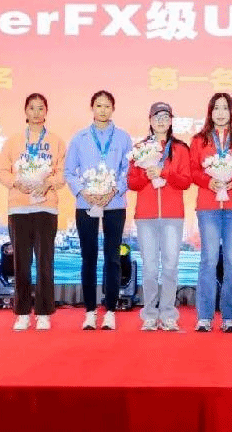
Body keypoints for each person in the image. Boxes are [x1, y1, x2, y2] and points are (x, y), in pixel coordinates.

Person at [0, 93, 66, 331]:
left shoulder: (56, 141)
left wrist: (47, 183)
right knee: (21, 264)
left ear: (47, 112)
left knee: (45, 262)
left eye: (41, 108)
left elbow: (63, 173)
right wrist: (17, 182)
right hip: (19, 208)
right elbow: (1, 171)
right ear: (25, 111)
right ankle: (22, 312)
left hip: (46, 207)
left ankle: (44, 312)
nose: (36, 113)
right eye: (32, 108)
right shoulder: (13, 141)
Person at [65, 90, 131, 331]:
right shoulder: (79, 138)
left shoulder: (123, 138)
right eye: (99, 105)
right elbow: (69, 172)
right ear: (92, 108)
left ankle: (110, 311)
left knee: (113, 258)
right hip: (86, 204)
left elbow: (128, 170)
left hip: (114, 203)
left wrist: (113, 191)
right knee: (89, 257)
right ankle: (90, 312)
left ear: (113, 109)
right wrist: (83, 192)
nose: (103, 110)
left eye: (107, 106)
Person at [190, 93, 232, 333]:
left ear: (231, 112)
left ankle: (229, 317)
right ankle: (204, 317)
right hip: (208, 206)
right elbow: (193, 171)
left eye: (225, 108)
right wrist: (210, 182)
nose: (220, 112)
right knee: (208, 260)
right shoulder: (199, 140)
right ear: (210, 112)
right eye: (216, 108)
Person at [127, 102, 192, 332]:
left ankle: (168, 314)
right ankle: (150, 314)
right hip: (146, 216)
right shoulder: (139, 149)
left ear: (171, 120)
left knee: (171, 267)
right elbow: (132, 182)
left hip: (173, 216)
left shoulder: (180, 149)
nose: (161, 121)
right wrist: (147, 174)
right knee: (150, 268)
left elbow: (186, 181)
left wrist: (164, 172)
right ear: (150, 120)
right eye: (157, 116)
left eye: (166, 116)